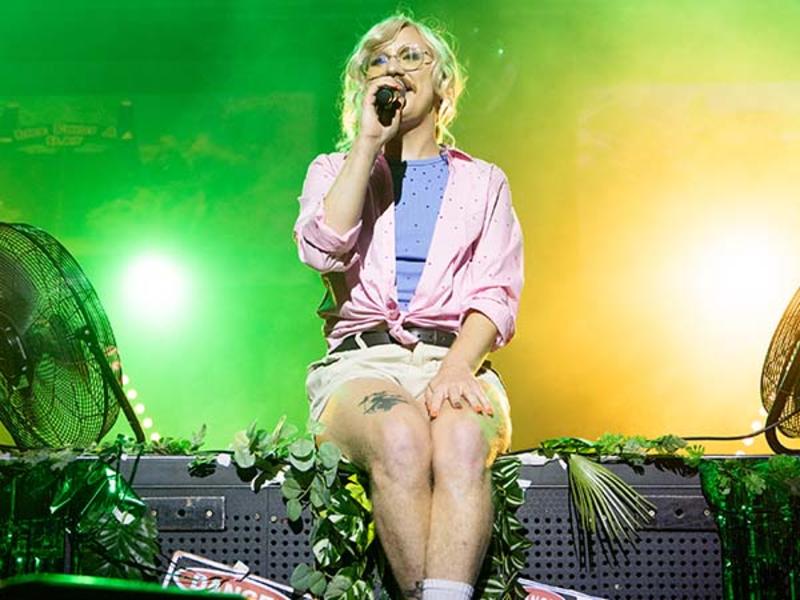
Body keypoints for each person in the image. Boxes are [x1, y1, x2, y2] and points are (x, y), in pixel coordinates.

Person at [293, 14, 524, 600]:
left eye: (412, 57)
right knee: (400, 434)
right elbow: (323, 249)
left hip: (456, 360)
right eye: (380, 59)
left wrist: (456, 368)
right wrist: (367, 142)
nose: (394, 67)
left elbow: (495, 293)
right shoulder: (334, 170)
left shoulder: (484, 182)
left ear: (443, 83)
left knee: (462, 441)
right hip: (362, 363)